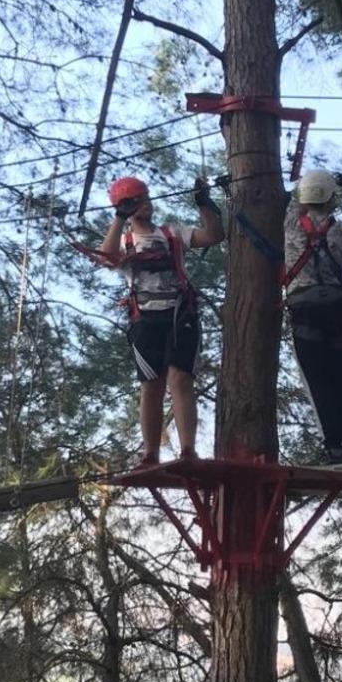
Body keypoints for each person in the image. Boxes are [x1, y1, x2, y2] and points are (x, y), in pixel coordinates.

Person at [99, 176, 224, 468]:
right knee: (151, 384)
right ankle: (150, 453)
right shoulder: (124, 240)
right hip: (145, 317)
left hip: (180, 313)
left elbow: (214, 235)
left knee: (180, 378)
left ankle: (188, 449)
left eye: (144, 198)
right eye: (135, 202)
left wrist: (204, 202)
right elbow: (106, 258)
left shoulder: (172, 233)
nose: (143, 205)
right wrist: (120, 217)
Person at [283, 169, 342, 470]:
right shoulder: (341, 229)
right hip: (338, 309)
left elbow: (291, 199)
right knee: (341, 380)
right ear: (332, 200)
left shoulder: (290, 223)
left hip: (305, 307)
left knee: (318, 381)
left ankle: (334, 450)